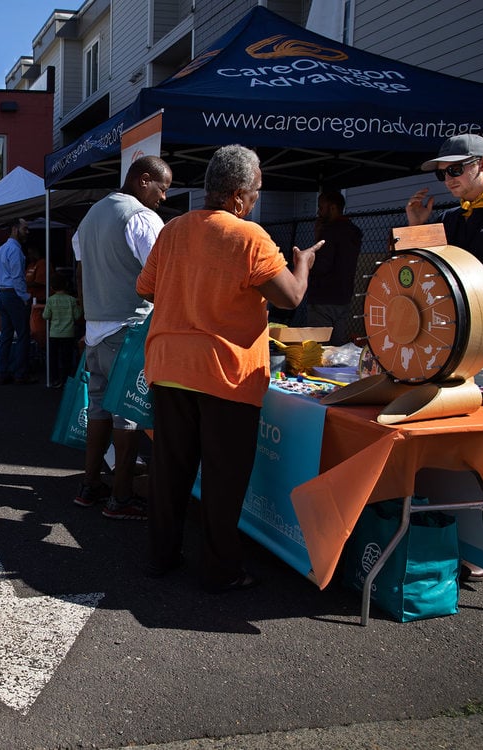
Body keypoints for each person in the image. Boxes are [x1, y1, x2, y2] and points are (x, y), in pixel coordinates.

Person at [136, 145, 320, 592]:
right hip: (226, 375)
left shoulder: (173, 229)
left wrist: (190, 299)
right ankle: (221, 570)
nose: (256, 199)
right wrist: (303, 264)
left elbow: (146, 288)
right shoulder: (250, 237)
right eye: (256, 191)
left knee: (170, 470)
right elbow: (291, 298)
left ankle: (162, 556)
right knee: (223, 478)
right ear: (238, 196)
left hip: (170, 365)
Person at [406, 133, 483, 581]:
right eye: (443, 172)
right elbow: (421, 279)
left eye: (455, 169)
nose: (447, 179)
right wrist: (419, 223)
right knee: (448, 445)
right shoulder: (455, 218)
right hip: (444, 351)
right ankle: (449, 537)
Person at [72, 155, 172, 520]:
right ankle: (121, 496)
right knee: (127, 413)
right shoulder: (142, 218)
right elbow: (162, 279)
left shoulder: (90, 216)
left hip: (96, 330)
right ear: (144, 180)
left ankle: (89, 485)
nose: (163, 197)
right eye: (163, 188)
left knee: (98, 408)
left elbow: (81, 273)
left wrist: (87, 323)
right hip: (129, 328)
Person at [306, 190, 362, 346]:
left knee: (318, 349)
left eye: (321, 208)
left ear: (333, 208)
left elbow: (322, 265)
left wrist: (306, 264)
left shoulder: (329, 232)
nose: (318, 212)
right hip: (343, 297)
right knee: (336, 349)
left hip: (323, 297)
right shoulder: (354, 232)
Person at [0, 218, 35, 384]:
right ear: (14, 229)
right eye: (25, 228)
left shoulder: (1, 249)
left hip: (3, 294)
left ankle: (4, 371)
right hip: (13, 294)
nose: (27, 231)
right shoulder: (15, 251)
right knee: (23, 334)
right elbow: (18, 277)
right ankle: (20, 373)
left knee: (6, 335)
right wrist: (24, 297)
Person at [42, 276, 82, 387]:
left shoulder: (50, 300)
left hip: (54, 333)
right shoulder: (72, 300)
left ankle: (54, 378)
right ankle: (65, 379)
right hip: (68, 333)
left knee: (53, 358)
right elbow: (77, 315)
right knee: (66, 358)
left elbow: (46, 316)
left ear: (52, 287)